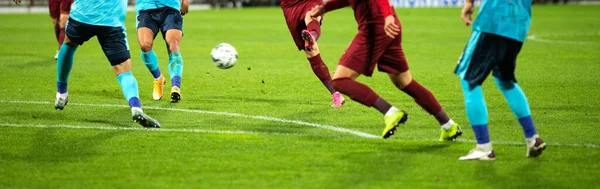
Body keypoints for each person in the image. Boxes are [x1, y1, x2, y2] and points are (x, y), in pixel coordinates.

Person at [310, 0, 461, 139]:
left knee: (339, 81)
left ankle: (390, 112)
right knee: (404, 81)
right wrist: (325, 7)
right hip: (390, 26)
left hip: (375, 28)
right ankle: (448, 125)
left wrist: (387, 15)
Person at [48, 0, 160, 128]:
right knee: (124, 69)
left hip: (84, 14)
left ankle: (61, 93)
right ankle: (136, 108)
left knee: (69, 44)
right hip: (111, 19)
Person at [455, 0, 545, 160]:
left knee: (469, 80)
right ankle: (533, 138)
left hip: (494, 19)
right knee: (504, 80)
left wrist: (469, 2)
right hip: (519, 22)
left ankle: (484, 147)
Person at [280, 0, 345, 108]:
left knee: (312, 15)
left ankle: (312, 37)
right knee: (311, 52)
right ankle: (336, 93)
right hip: (290, 5)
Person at [136, 0, 189, 103]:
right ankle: (158, 78)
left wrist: (185, 2)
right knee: (145, 46)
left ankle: (176, 88)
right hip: (146, 8)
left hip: (170, 8)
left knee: (173, 45)